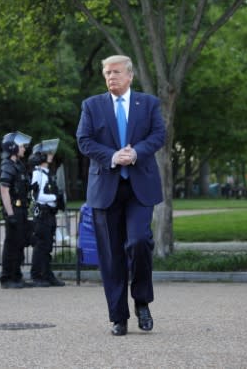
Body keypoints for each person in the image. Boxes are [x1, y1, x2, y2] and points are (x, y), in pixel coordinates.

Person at [76, 54, 166, 336]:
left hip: (140, 186)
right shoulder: (92, 105)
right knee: (111, 255)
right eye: (106, 72)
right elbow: (84, 140)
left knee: (139, 241)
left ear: (130, 75)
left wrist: (136, 152)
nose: (110, 77)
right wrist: (113, 156)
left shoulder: (148, 103)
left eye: (115, 72)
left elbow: (159, 134)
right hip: (105, 187)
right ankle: (118, 316)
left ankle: (142, 301)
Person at [29, 139, 66, 287]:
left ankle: (46, 273)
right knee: (41, 246)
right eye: (47, 153)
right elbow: (37, 196)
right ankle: (37, 275)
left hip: (49, 214)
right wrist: (55, 198)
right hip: (42, 214)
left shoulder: (46, 173)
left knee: (47, 246)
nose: (51, 155)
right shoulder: (38, 173)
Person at [0, 131, 32, 289]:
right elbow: (4, 190)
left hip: (21, 209)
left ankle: (16, 276)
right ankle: (7, 278)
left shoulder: (18, 165)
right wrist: (10, 213)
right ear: (12, 147)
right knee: (11, 244)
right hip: (14, 210)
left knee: (19, 243)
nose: (24, 148)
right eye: (21, 146)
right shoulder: (7, 165)